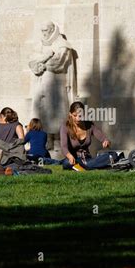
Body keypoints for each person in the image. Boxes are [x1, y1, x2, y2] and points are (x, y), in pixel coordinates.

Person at [28, 21, 77, 150]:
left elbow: (59, 61)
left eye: (46, 31)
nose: (44, 34)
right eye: (42, 31)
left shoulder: (62, 44)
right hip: (41, 81)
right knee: (41, 109)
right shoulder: (40, 44)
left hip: (55, 83)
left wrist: (43, 63)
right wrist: (42, 59)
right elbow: (32, 60)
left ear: (51, 30)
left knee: (56, 111)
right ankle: (45, 139)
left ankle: (58, 140)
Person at [60, 101, 112, 171]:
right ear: (70, 114)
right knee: (67, 163)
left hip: (87, 158)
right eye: (74, 115)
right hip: (73, 159)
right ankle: (90, 166)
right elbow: (64, 147)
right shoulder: (65, 127)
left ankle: (85, 166)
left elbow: (102, 137)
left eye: (80, 115)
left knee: (110, 155)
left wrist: (106, 141)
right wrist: (69, 156)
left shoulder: (89, 125)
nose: (78, 118)